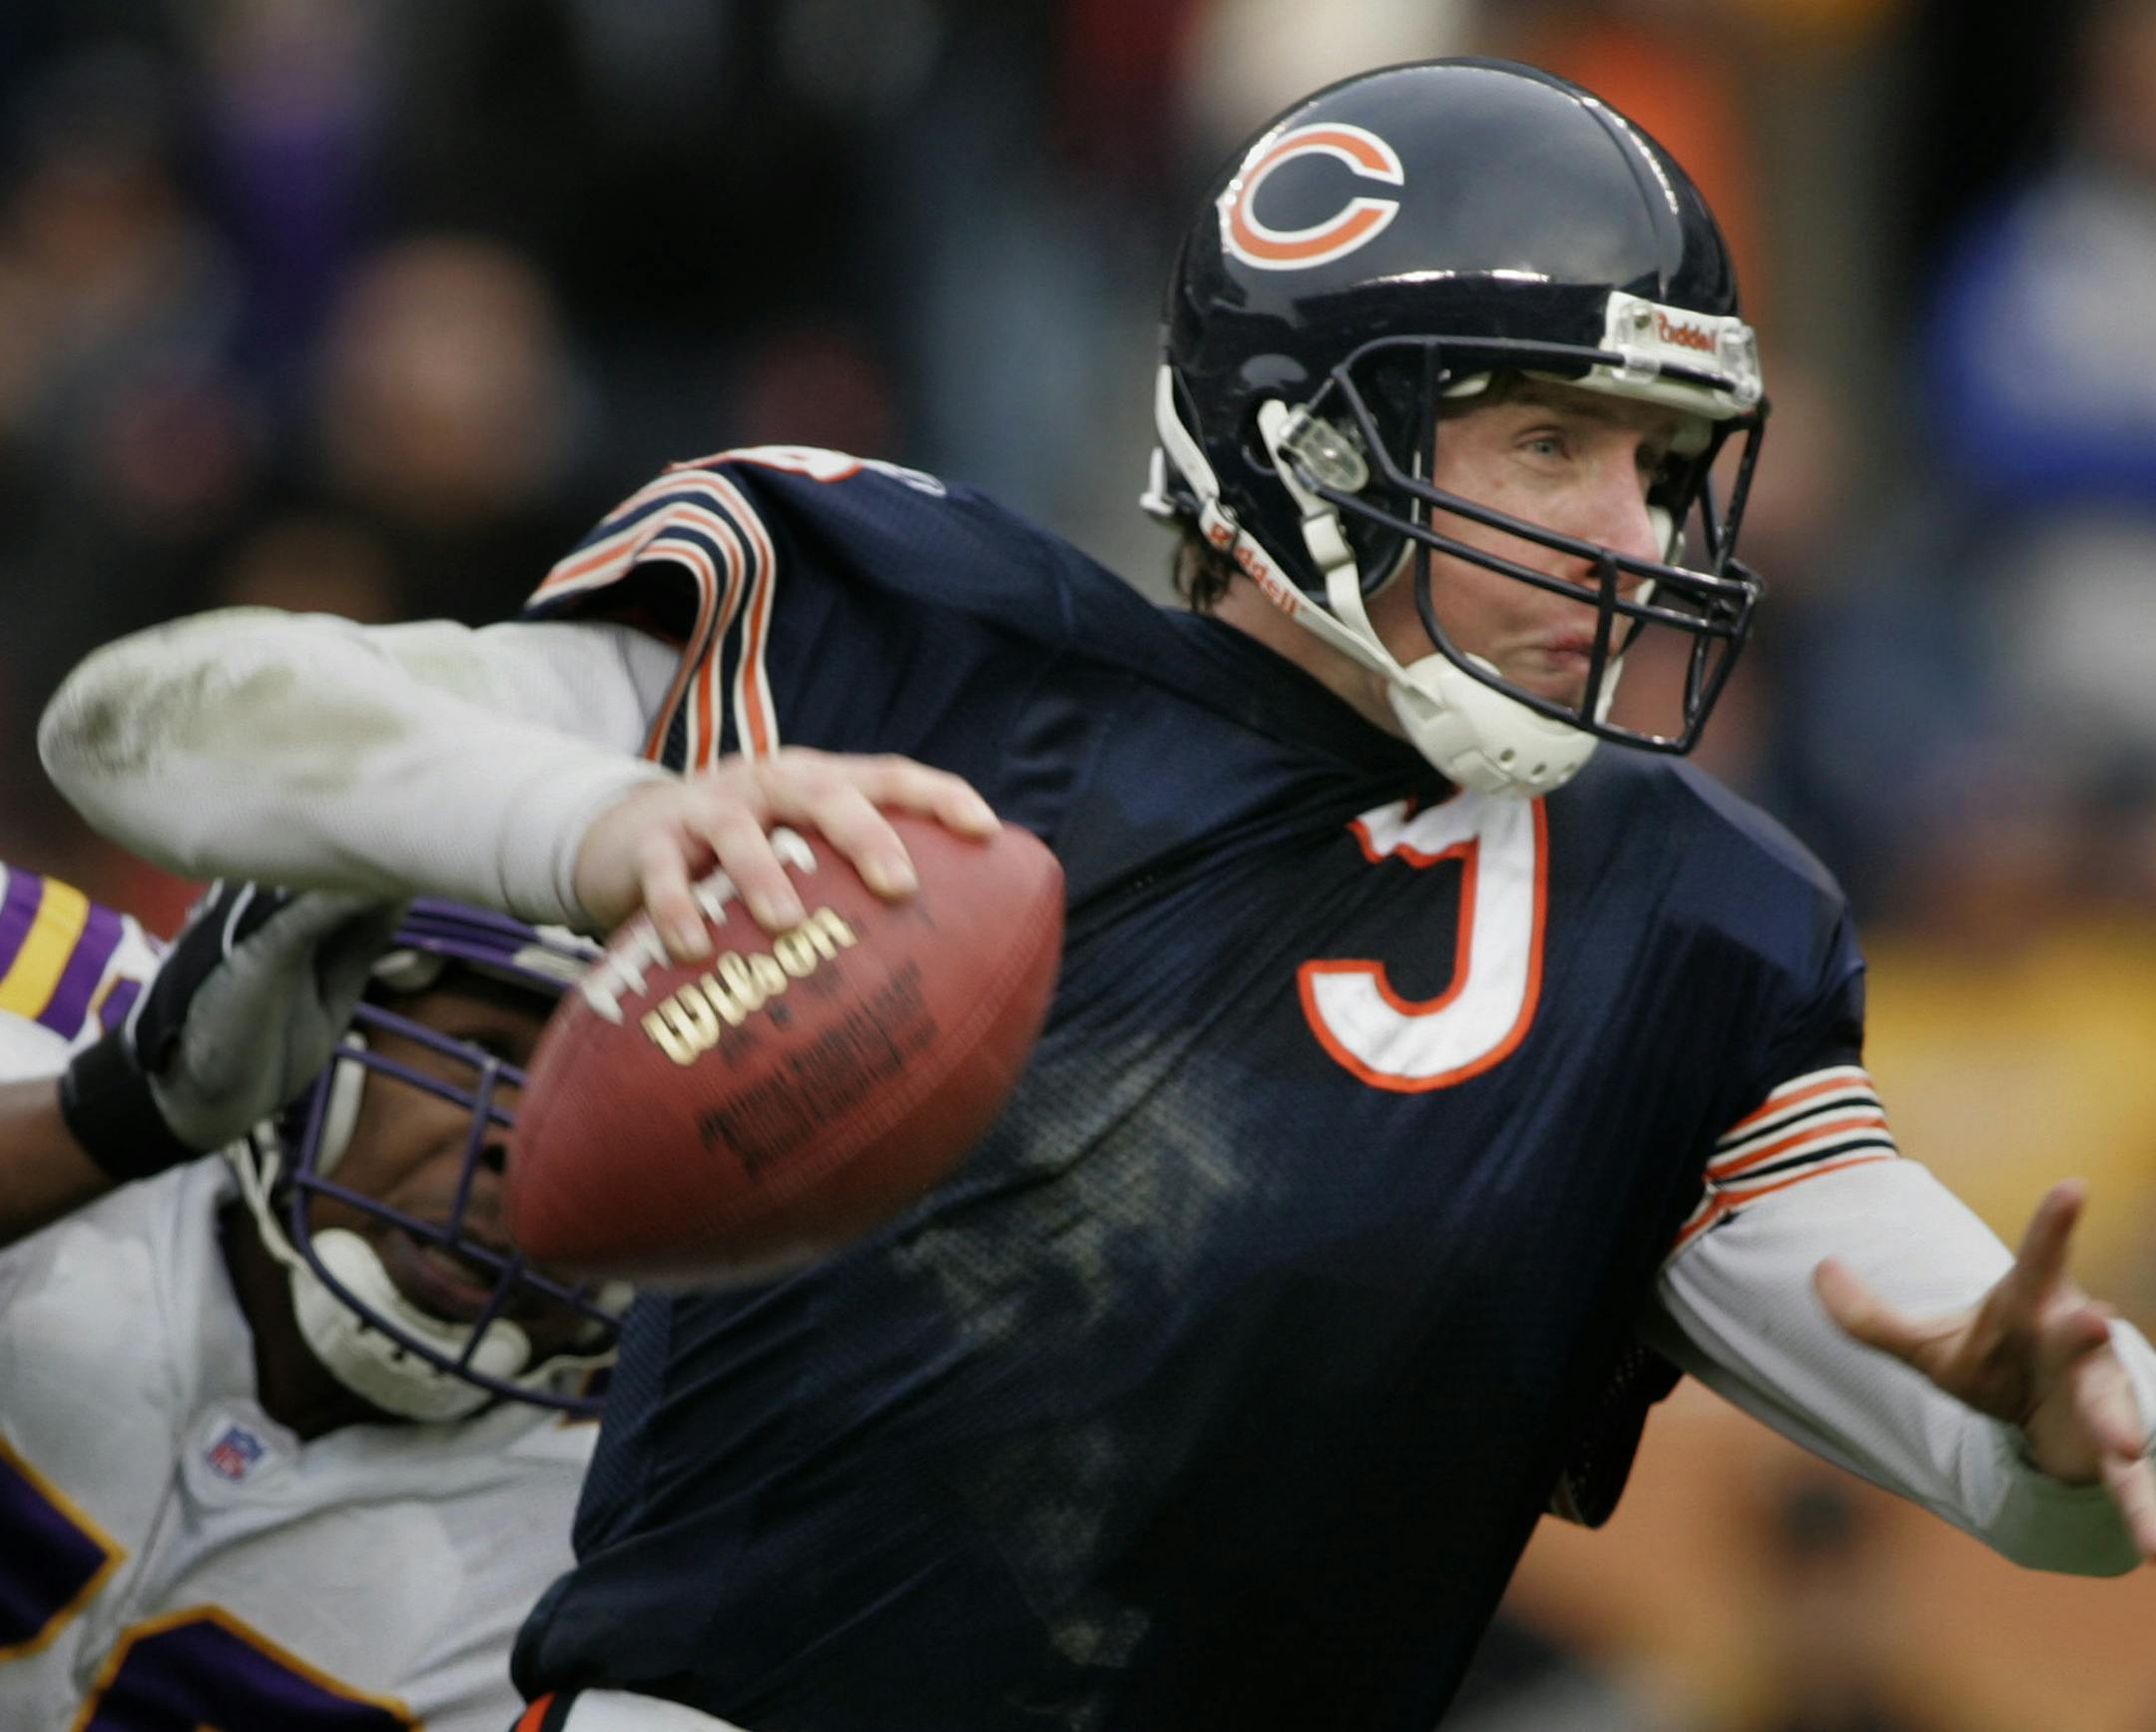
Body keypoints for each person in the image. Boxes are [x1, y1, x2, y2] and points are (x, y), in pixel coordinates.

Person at [33, 58, 2156, 1732]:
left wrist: (2053, 1434)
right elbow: (151, 728)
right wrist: (600, 831)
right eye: (1553, 445)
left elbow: (2014, 1424)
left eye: (1666, 468)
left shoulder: (1685, 920)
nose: (1637, 535)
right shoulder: (895, 636)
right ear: (1312, 438)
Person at [0, 864, 627, 1730]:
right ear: (307, 1020)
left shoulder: (641, 1526)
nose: (524, 1150)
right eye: (483, 1055)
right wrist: (111, 1118)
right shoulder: (36, 993)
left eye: (606, 1113)